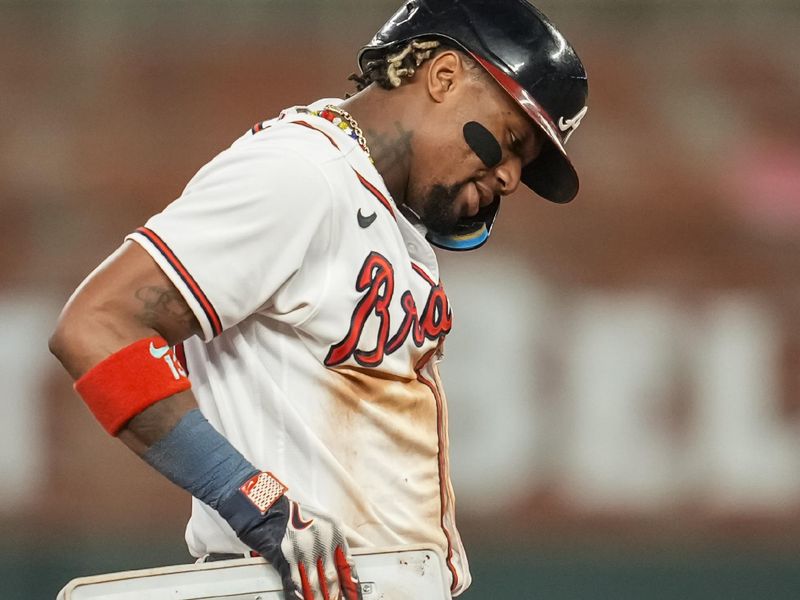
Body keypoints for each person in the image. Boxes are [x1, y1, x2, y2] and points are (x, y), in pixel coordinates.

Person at [49, 0, 588, 598]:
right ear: (442, 76)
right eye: (511, 140)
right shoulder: (301, 171)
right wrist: (254, 499)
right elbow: (97, 325)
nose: (510, 177)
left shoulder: (372, 201)